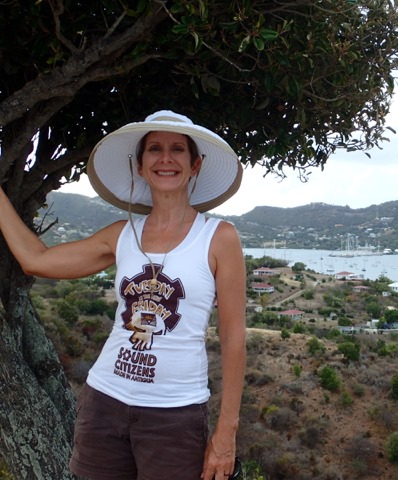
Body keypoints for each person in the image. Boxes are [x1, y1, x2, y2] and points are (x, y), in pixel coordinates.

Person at [0, 110, 246, 480]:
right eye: (155, 149)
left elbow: (233, 335)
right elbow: (36, 260)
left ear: (195, 165)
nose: (166, 158)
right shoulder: (121, 234)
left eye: (177, 149)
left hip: (174, 413)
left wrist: (227, 431)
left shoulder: (219, 238)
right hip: (104, 401)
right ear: (140, 166)